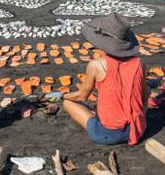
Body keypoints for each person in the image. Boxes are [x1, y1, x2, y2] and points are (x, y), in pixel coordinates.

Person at [62, 13, 149, 145]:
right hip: (137, 130)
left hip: (107, 134)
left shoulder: (96, 65)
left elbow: (81, 96)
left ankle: (99, 123)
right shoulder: (140, 64)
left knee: (68, 103)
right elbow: (145, 95)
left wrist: (63, 95)